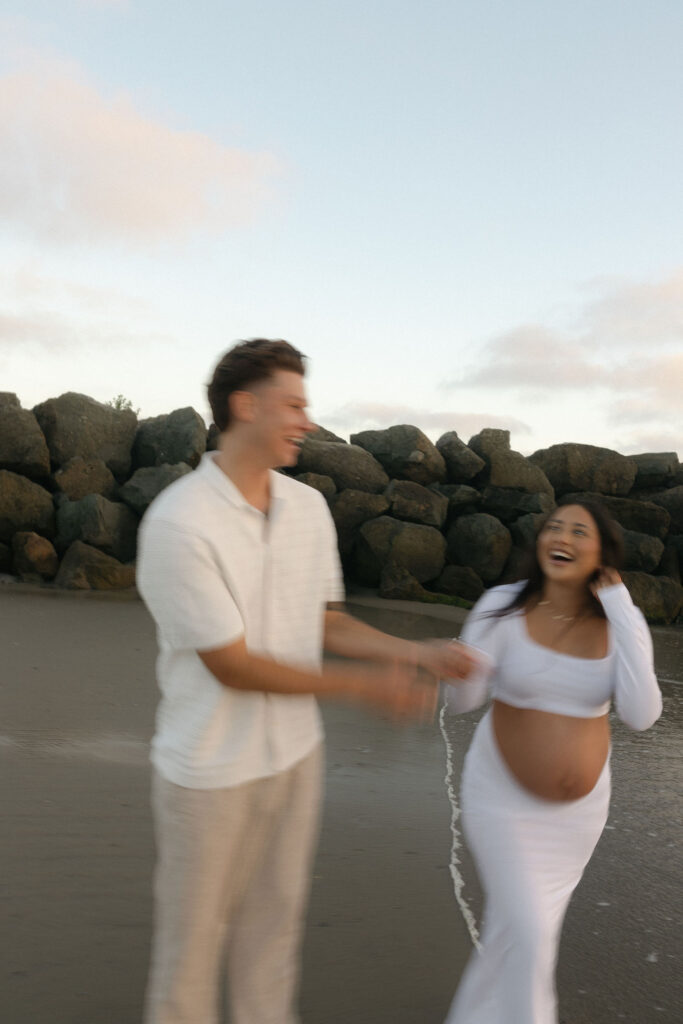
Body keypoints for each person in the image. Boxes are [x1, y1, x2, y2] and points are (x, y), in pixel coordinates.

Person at [136, 338, 475, 1024]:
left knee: (273, 939)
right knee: (191, 959)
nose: (306, 420)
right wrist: (361, 690)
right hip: (207, 772)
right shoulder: (179, 522)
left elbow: (324, 622)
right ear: (244, 405)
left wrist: (411, 655)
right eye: (293, 404)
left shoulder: (306, 510)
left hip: (293, 760)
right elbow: (230, 664)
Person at [442, 497, 663, 1024]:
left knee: (513, 936)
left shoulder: (618, 624)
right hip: (500, 798)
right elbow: (463, 702)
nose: (561, 537)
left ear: (602, 555)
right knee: (531, 938)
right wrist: (459, 665)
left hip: (575, 821)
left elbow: (640, 713)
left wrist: (621, 607)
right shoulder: (503, 606)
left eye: (578, 531)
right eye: (553, 527)